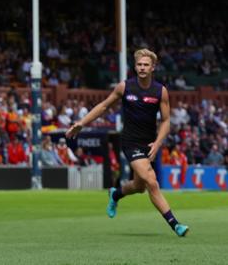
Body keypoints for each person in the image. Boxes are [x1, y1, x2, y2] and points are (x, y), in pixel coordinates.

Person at [66, 49, 189, 237]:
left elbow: (165, 121)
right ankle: (175, 224)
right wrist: (81, 123)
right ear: (135, 66)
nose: (142, 67)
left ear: (153, 67)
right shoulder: (125, 87)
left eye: (146, 64)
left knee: (139, 187)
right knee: (151, 181)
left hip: (148, 143)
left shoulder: (160, 91)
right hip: (130, 142)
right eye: (139, 64)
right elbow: (104, 106)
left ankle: (115, 194)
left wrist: (157, 143)